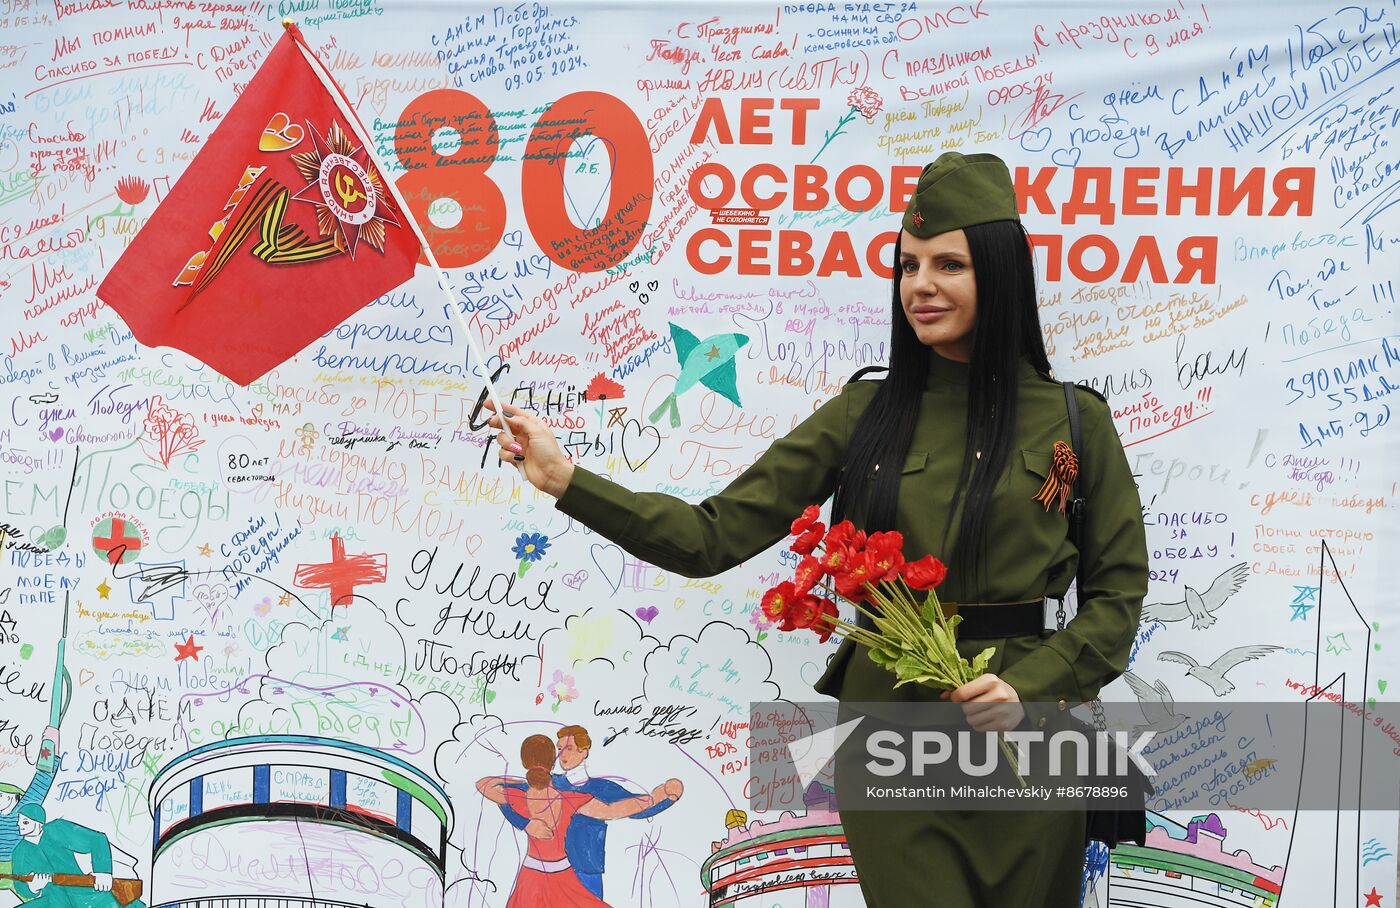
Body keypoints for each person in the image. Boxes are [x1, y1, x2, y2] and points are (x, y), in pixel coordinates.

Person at [482, 151, 1148, 907]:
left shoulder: (1074, 421)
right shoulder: (866, 413)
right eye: (908, 266)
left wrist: (1030, 686)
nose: (921, 286)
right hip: (894, 732)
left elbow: (1117, 599)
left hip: (1029, 735)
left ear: (1000, 274)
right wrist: (569, 482)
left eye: (948, 265)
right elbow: (712, 536)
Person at [478, 734, 682, 908]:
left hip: (537, 876)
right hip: (562, 877)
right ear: (553, 761)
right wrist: (655, 798)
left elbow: (484, 785)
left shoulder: (518, 795)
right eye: (560, 749)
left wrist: (523, 788)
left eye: (569, 748)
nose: (564, 754)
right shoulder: (567, 798)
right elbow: (613, 810)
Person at [10, 804, 145, 907]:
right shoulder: (19, 852)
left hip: (81, 890)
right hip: (52, 900)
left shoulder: (57, 829)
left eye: (25, 822)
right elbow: (20, 886)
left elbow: (96, 839)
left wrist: (103, 872)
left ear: (39, 823)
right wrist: (33, 887)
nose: (19, 825)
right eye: (19, 821)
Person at [1, 769, 56, 895]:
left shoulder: (25, 809)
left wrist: (51, 752)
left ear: (14, 796)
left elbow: (42, 781)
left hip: (18, 869)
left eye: (0, 795)